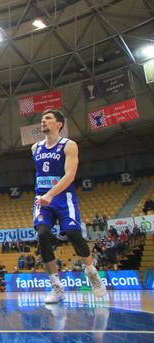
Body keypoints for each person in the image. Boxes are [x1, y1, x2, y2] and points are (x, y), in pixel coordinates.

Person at [32, 109, 106, 303]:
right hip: (42, 198)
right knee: (42, 234)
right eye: (42, 119)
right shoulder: (35, 148)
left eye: (48, 118)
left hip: (63, 197)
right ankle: (56, 286)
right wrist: (45, 195)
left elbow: (70, 176)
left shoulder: (69, 145)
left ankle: (92, 274)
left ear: (59, 124)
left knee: (73, 233)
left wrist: (51, 194)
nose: (43, 121)